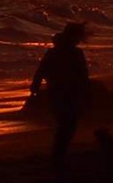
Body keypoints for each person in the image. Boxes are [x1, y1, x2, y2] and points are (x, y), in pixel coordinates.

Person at [30, 21, 91, 178]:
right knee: (67, 126)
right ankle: (58, 159)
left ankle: (58, 158)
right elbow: (83, 76)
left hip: (58, 93)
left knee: (65, 125)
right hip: (67, 93)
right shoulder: (75, 54)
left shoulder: (54, 52)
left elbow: (40, 71)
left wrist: (34, 88)